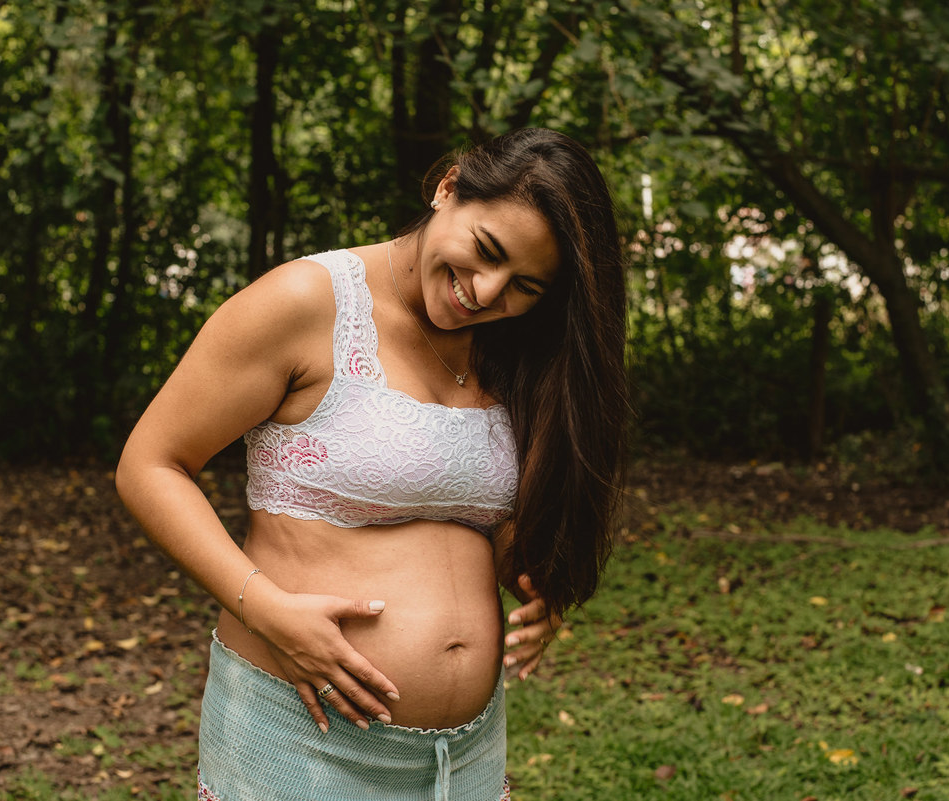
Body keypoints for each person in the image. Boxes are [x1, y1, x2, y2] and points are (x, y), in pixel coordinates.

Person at [115, 127, 628, 801]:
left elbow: (474, 510)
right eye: (486, 250)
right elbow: (150, 463)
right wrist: (265, 607)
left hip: (466, 756)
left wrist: (535, 585)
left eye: (524, 284)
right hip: (304, 734)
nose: (487, 290)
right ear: (449, 186)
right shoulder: (306, 302)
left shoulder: (510, 351)